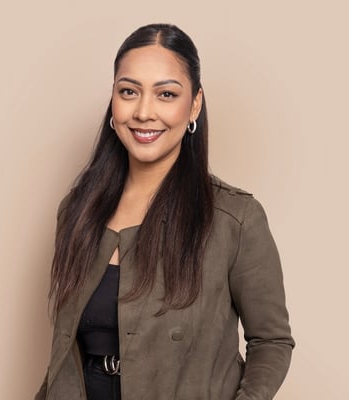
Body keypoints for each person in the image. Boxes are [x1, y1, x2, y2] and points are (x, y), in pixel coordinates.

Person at [35, 23, 294, 400]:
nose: (144, 112)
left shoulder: (235, 219)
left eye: (166, 94)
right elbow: (65, 352)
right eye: (129, 91)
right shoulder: (79, 210)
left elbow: (272, 341)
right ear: (113, 99)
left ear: (194, 104)